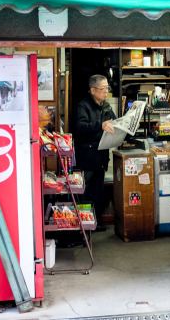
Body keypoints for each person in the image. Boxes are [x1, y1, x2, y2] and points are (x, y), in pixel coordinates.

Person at [74, 74, 116, 231]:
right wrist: (100, 125)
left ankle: (96, 223)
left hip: (101, 157)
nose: (106, 92)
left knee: (98, 192)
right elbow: (80, 128)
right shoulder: (83, 106)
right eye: (103, 89)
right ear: (93, 90)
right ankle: (84, 225)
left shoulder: (106, 106)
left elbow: (114, 123)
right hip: (87, 157)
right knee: (85, 192)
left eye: (107, 88)